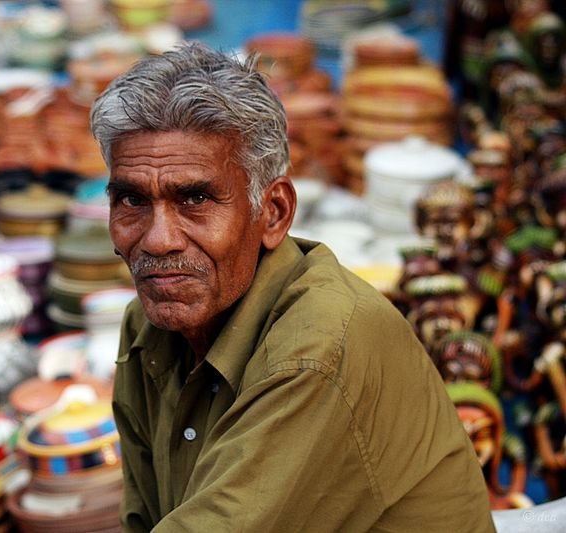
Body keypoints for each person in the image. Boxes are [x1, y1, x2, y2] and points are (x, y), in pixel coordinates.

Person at [90, 42, 494, 532]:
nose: (158, 240)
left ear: (274, 213)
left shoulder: (317, 349)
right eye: (131, 199)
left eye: (195, 198)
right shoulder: (148, 327)